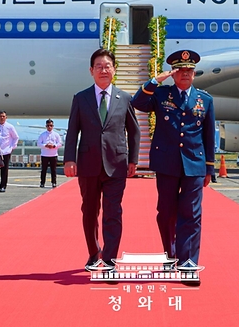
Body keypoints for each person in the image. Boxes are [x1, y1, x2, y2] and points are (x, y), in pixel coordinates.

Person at [131, 49, 215, 277]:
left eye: (189, 70)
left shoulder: (204, 100)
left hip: (195, 165)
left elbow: (208, 136)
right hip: (167, 164)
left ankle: (188, 262)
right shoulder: (161, 94)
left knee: (191, 214)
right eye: (180, 70)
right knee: (166, 212)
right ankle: (170, 255)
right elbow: (137, 102)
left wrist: (209, 167)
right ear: (173, 73)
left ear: (194, 74)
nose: (185, 74)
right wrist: (154, 81)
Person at [64, 49, 140, 269]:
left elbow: (134, 132)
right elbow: (72, 132)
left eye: (107, 66)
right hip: (88, 165)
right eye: (99, 66)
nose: (103, 70)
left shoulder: (125, 98)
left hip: (116, 165)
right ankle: (93, 251)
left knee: (113, 212)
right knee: (89, 211)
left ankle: (109, 260)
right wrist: (70, 159)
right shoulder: (81, 98)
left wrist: (133, 159)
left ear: (114, 70)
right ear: (91, 71)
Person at [38, 119, 63, 188]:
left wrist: (54, 146)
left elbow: (60, 143)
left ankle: (54, 182)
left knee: (53, 170)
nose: (49, 127)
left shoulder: (56, 134)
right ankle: (42, 182)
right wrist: (45, 145)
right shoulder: (42, 135)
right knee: (44, 170)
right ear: (46, 126)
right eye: (48, 126)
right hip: (44, 154)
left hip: (53, 154)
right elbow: (39, 143)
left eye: (51, 125)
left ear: (53, 126)